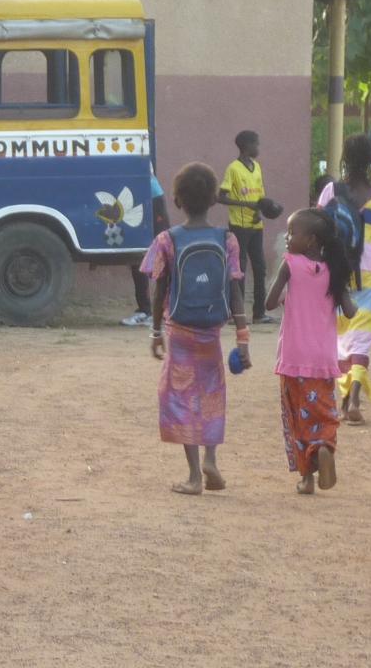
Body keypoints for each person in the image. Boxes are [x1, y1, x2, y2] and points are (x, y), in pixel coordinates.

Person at [143, 163, 248, 496]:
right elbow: (235, 289)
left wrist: (156, 331)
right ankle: (211, 459)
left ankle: (192, 476)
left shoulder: (166, 240)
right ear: (215, 198)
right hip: (212, 332)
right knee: (212, 395)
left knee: (179, 397)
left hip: (180, 333)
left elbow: (159, 288)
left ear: (176, 200)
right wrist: (242, 336)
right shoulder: (227, 239)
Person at [265, 208, 355, 495]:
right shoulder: (334, 270)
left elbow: (268, 303)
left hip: (293, 358)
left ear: (312, 240)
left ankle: (306, 478)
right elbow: (351, 311)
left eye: (293, 233)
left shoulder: (290, 263)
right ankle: (324, 447)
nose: (288, 238)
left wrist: (283, 290)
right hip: (323, 359)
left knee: (296, 417)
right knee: (324, 412)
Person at [317, 133, 371, 424]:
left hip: (337, 270)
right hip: (369, 270)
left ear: (345, 158)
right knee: (361, 336)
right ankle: (354, 398)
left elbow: (320, 230)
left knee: (339, 334)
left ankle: (343, 395)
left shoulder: (331, 191)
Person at [219, 130, 276, 324]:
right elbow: (221, 197)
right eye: (256, 144)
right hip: (239, 225)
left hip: (255, 224)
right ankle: (237, 313)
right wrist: (245, 205)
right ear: (246, 146)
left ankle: (259, 313)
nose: (258, 148)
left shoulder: (257, 167)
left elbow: (260, 196)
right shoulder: (233, 168)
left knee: (259, 267)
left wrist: (261, 209)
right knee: (239, 268)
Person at [122, 171, 170, 326]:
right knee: (138, 259)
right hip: (140, 200)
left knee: (162, 256)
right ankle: (145, 310)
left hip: (152, 200)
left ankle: (160, 312)